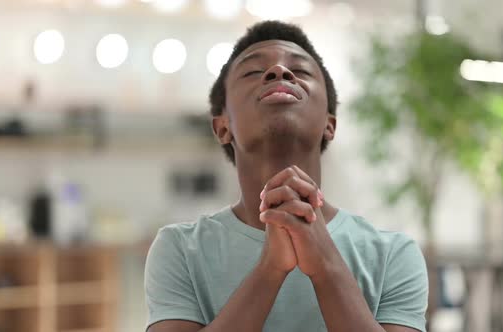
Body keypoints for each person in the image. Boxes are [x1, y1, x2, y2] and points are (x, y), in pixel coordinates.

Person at [145, 20, 428, 332]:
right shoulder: (180, 249)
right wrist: (270, 269)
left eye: (301, 71)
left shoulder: (392, 254)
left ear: (329, 124)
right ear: (222, 127)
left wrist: (325, 265)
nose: (279, 72)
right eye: (254, 72)